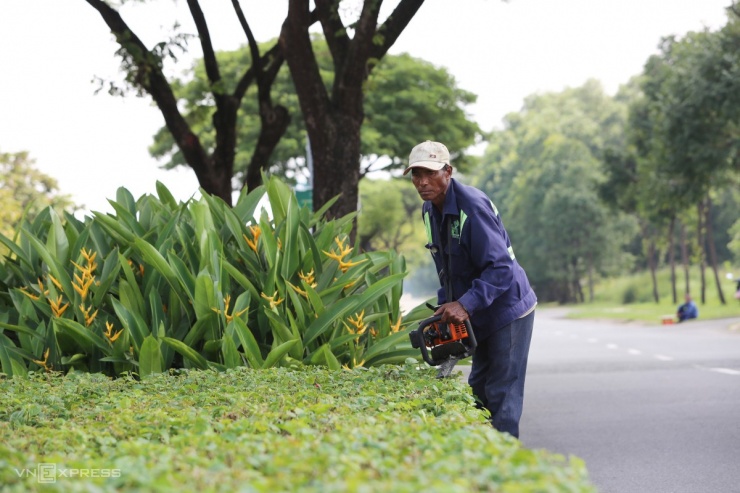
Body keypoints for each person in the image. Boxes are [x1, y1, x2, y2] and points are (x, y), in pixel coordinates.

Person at [405, 140, 537, 439]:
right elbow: (448, 268)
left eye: (430, 172)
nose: (422, 182)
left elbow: (501, 267)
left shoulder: (472, 207)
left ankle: (504, 470)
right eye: (416, 174)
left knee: (501, 392)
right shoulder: (429, 210)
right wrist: (446, 307)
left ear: (448, 171)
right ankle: (482, 460)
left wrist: (464, 305)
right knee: (478, 389)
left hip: (508, 308)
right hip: (480, 309)